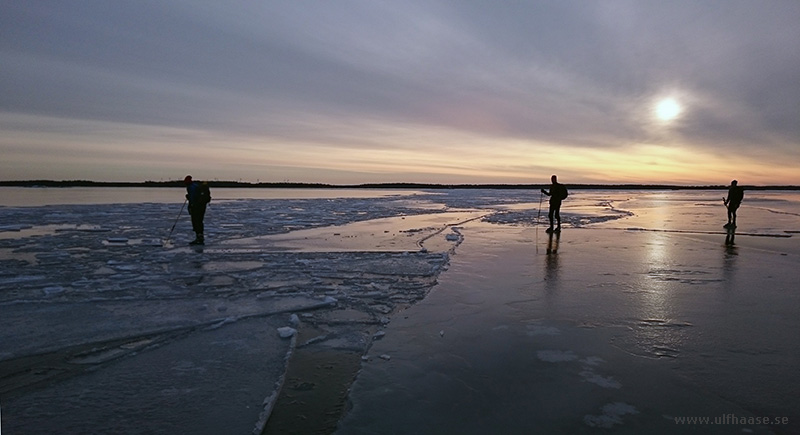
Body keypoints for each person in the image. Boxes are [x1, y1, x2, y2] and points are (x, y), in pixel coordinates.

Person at [184, 175, 211, 245]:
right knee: (199, 221)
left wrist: (190, 202)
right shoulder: (196, 186)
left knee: (196, 221)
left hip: (196, 206)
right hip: (202, 206)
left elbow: (193, 198)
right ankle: (200, 236)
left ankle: (199, 237)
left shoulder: (191, 187)